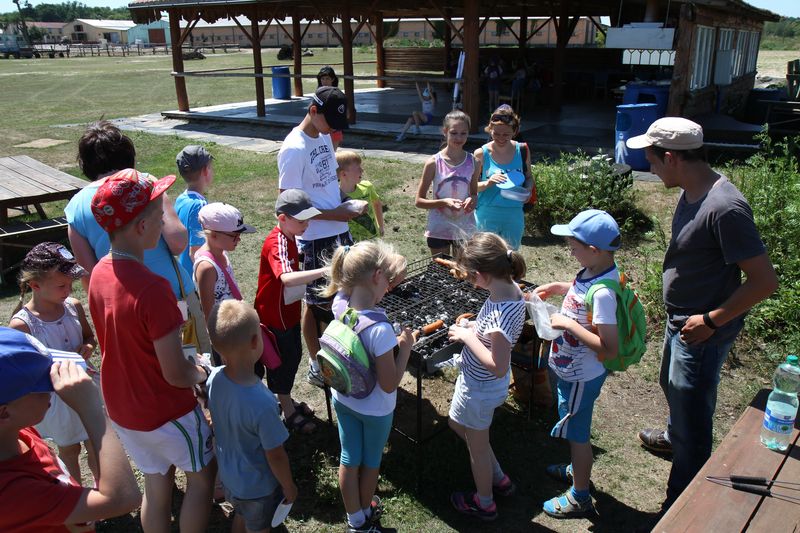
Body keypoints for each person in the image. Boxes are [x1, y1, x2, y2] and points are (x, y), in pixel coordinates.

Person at [625, 118, 778, 510]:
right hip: (682, 320)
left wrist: (711, 321)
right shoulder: (692, 189)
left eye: (653, 162)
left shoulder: (725, 207)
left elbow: (763, 282)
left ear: (672, 158)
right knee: (670, 384)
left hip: (701, 328)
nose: (651, 169)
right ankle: (675, 437)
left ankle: (681, 503)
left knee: (693, 413)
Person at [88, 168, 216, 533]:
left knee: (157, 482)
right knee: (203, 477)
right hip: (163, 409)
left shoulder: (99, 272)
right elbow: (176, 373)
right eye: (159, 216)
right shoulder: (154, 289)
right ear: (140, 227)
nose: (164, 222)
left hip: (123, 408)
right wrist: (202, 372)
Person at [64, 121, 209, 354]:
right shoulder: (145, 184)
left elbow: (88, 278)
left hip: (123, 306)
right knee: (191, 361)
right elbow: (178, 241)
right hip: (173, 296)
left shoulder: (75, 207)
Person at [0, 328, 141, 532]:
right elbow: (123, 498)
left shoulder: (19, 432)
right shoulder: (10, 492)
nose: (54, 387)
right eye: (44, 384)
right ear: (4, 413)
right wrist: (93, 410)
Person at [319, 240, 413, 533]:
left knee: (349, 458)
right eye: (387, 278)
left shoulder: (340, 302)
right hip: (375, 409)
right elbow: (388, 384)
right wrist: (405, 349)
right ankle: (364, 522)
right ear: (376, 277)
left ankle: (354, 520)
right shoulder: (380, 330)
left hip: (343, 397)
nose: (390, 285)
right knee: (371, 462)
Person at [277, 86, 367, 389]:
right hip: (315, 238)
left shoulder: (325, 136)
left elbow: (324, 183)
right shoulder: (293, 148)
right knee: (316, 306)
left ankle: (342, 355)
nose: (334, 130)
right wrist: (335, 214)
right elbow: (289, 205)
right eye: (330, 121)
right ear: (313, 111)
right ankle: (317, 365)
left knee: (346, 296)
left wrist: (344, 203)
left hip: (340, 230)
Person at [534, 209, 622, 518]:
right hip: (571, 369)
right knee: (575, 430)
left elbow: (609, 348)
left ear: (594, 250)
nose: (570, 251)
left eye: (574, 247)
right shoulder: (594, 269)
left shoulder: (603, 296)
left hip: (581, 375)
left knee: (578, 435)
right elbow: (580, 292)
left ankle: (580, 495)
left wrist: (568, 326)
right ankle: (577, 467)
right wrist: (560, 288)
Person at [447, 232, 526, 522]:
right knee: (456, 424)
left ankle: (485, 502)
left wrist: (468, 337)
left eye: (470, 277)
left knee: (477, 449)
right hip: (477, 384)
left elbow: (498, 365)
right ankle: (499, 478)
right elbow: (492, 333)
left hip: (481, 387)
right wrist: (475, 325)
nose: (470, 281)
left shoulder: (500, 316)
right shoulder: (508, 289)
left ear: (481, 274)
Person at [9, 242, 99, 487]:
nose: (68, 291)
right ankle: (74, 496)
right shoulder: (22, 325)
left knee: (96, 442)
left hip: (85, 386)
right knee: (69, 449)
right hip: (56, 399)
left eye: (70, 284)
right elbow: (21, 370)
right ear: (35, 285)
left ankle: (104, 490)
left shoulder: (74, 307)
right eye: (61, 285)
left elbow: (89, 337)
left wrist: (87, 348)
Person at [206, 300, 298, 533]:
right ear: (256, 342)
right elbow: (276, 454)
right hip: (258, 487)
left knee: (242, 513)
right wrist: (288, 486)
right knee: (260, 526)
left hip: (230, 478)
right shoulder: (263, 402)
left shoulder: (214, 378)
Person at [255, 189, 329, 434]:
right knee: (282, 362)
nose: (306, 224)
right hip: (275, 317)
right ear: (282, 217)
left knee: (292, 356)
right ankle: (287, 411)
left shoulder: (289, 236)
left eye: (308, 219)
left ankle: (284, 399)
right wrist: (324, 271)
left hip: (286, 312)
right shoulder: (277, 242)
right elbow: (286, 278)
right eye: (301, 220)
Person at [415, 110, 478, 256]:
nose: (459, 137)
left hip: (465, 228)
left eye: (463, 133)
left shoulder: (474, 162)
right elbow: (419, 201)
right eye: (454, 133)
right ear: (445, 132)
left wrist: (472, 199)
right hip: (439, 228)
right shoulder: (433, 163)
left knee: (462, 273)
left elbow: (474, 193)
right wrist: (444, 202)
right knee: (441, 273)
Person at [473, 105, 533, 250]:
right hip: (487, 213)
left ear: (514, 132)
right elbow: (471, 187)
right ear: (489, 129)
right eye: (496, 133)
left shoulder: (523, 149)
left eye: (506, 134)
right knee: (485, 257)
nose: (500, 138)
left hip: (513, 213)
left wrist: (529, 190)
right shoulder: (481, 153)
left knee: (510, 257)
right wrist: (488, 182)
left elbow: (529, 177)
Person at [193, 203, 255, 324]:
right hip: (223, 332)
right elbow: (209, 314)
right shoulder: (207, 267)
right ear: (214, 235)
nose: (239, 239)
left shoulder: (222, 253)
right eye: (234, 236)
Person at [174, 145, 214, 276]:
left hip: (181, 271)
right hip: (194, 277)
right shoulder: (200, 206)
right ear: (205, 171)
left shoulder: (181, 198)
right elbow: (195, 251)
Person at [337, 150, 385, 241]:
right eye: (358, 168)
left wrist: (381, 226)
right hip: (352, 243)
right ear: (343, 174)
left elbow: (377, 204)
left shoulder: (367, 187)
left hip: (373, 238)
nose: (362, 170)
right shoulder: (336, 195)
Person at [317, 66, 343, 149]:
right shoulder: (318, 94)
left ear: (332, 79)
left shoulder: (337, 94)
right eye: (323, 79)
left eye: (327, 78)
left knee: (332, 153)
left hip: (334, 129)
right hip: (321, 130)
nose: (324, 81)